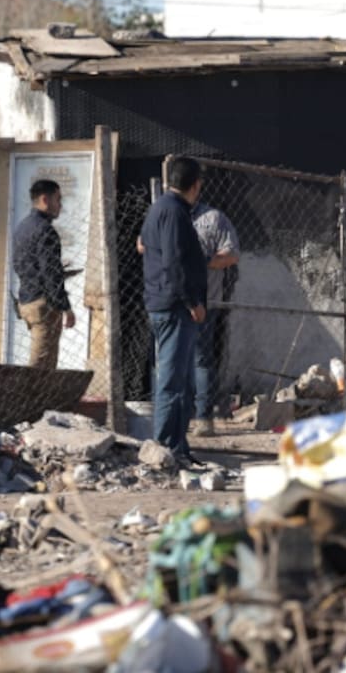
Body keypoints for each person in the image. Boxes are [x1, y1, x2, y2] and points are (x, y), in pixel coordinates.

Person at [140, 157, 208, 466]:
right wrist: (192, 301)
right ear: (195, 185)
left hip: (167, 303)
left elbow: (143, 244)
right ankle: (165, 448)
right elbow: (175, 262)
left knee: (180, 380)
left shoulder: (163, 208)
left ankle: (177, 447)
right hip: (174, 306)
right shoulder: (173, 212)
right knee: (171, 380)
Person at [188, 201, 240, 437]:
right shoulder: (165, 212)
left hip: (205, 300)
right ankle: (176, 415)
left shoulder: (213, 218)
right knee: (172, 358)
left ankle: (202, 418)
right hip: (172, 301)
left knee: (201, 359)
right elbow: (142, 245)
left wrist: (202, 260)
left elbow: (231, 254)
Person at [11, 179, 76, 370]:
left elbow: (21, 264)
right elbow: (51, 274)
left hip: (27, 299)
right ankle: (25, 399)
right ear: (45, 200)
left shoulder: (23, 227)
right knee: (41, 366)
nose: (60, 205)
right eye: (58, 199)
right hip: (43, 304)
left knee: (41, 362)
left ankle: (34, 398)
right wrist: (66, 307)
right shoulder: (45, 231)